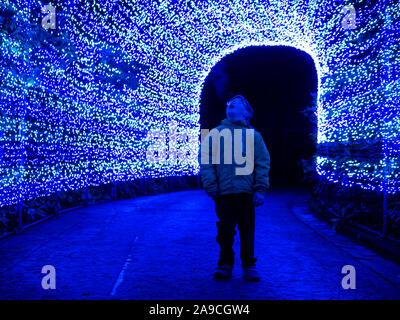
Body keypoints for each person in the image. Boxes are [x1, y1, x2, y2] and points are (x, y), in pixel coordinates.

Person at [200, 94, 271, 281]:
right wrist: (211, 185)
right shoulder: (215, 133)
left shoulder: (253, 136)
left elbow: (262, 163)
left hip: (245, 193)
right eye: (229, 105)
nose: (230, 108)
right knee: (225, 230)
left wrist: (260, 189)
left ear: (246, 112)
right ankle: (225, 264)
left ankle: (249, 265)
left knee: (247, 230)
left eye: (235, 105)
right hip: (223, 193)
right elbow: (206, 161)